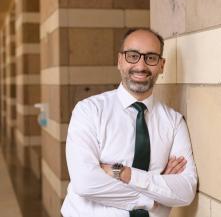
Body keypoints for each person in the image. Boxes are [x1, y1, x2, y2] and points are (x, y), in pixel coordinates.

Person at [61, 28, 198, 217]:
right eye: (132, 56)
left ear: (161, 65)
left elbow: (185, 191)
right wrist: (154, 195)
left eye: (150, 57)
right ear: (119, 61)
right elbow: (85, 182)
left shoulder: (174, 122)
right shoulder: (89, 111)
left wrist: (124, 173)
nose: (141, 66)